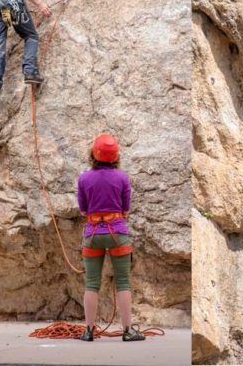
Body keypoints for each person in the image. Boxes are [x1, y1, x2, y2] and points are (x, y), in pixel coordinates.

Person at [77, 134, 145, 342]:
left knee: (91, 283)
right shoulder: (122, 178)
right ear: (116, 156)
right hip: (117, 233)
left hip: (93, 234)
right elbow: (126, 208)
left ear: (93, 154)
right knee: (123, 282)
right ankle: (127, 330)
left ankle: (88, 331)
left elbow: (83, 210)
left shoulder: (84, 178)